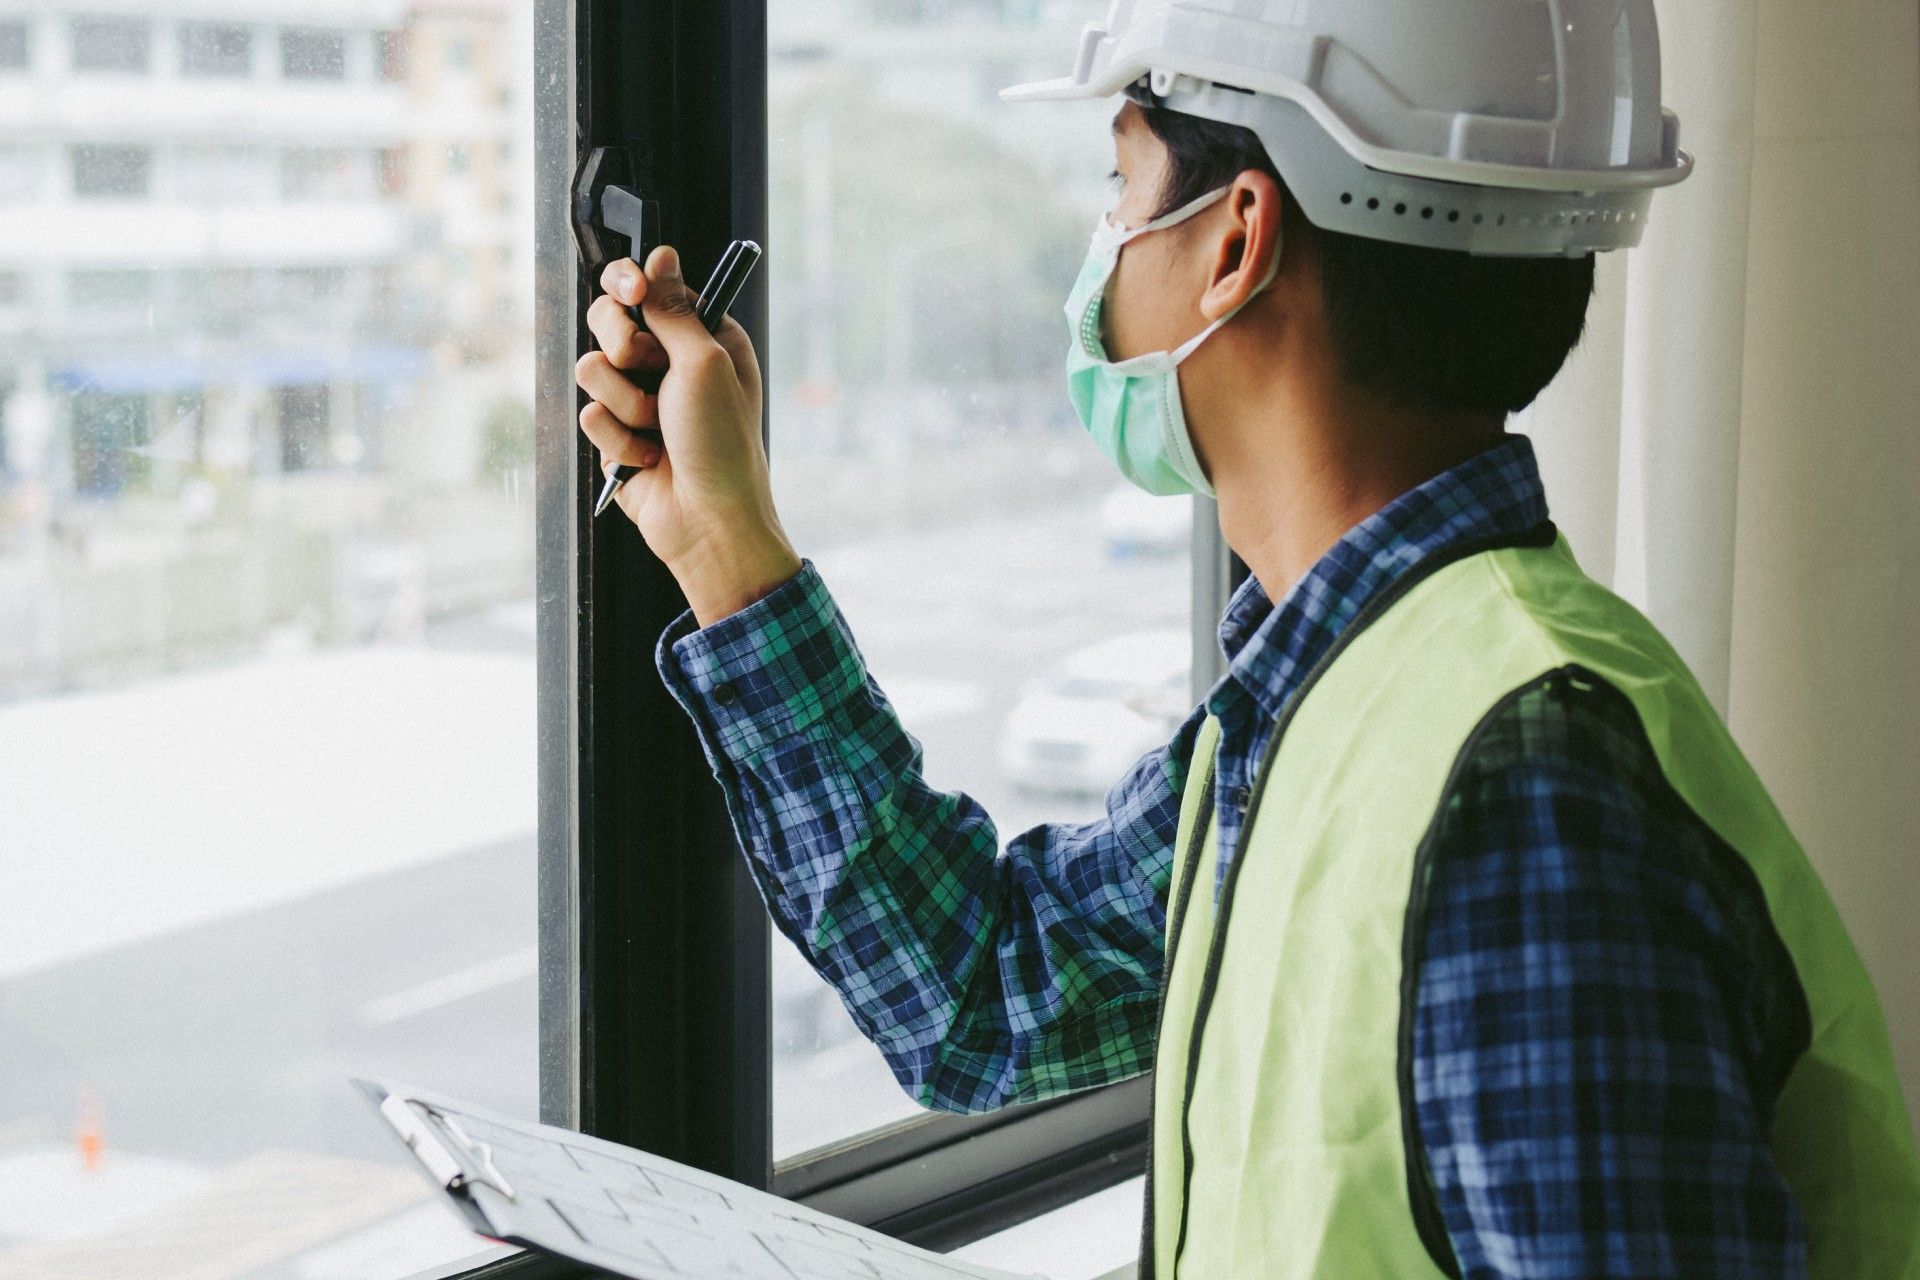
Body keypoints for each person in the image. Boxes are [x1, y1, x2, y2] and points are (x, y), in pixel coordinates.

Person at [573, 2, 1920, 1275]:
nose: (1099, 249)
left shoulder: (1522, 798)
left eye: (1120, 189)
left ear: (1236, 239)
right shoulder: (1334, 694)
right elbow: (986, 992)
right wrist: (723, 549)